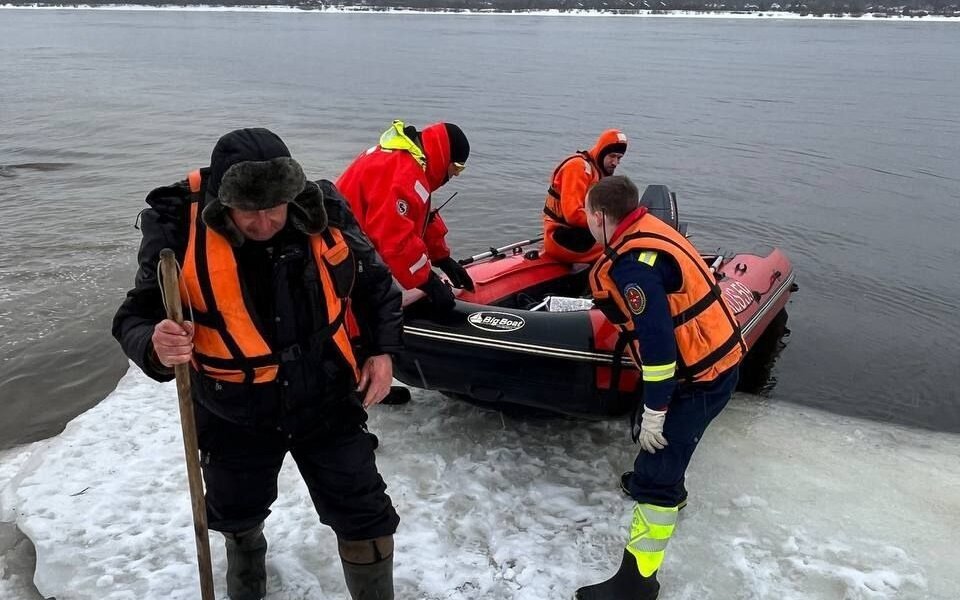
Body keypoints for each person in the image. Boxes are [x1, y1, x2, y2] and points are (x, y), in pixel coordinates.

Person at [112, 128, 403, 600]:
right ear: (224, 203)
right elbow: (135, 315)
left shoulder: (322, 213)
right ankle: (246, 581)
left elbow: (376, 287)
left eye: (275, 207)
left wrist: (383, 351)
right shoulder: (177, 230)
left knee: (366, 514)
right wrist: (154, 343)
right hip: (233, 410)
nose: (265, 221)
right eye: (250, 210)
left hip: (324, 396)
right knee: (236, 516)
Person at [576, 176, 746, 600]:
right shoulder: (652, 230)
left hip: (700, 378)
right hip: (718, 364)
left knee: (655, 473)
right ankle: (676, 490)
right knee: (666, 452)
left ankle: (636, 584)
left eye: (585, 212)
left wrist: (655, 409)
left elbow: (658, 347)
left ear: (599, 216)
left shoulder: (634, 266)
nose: (584, 219)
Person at [337, 120, 473, 405]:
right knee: (355, 322)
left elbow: (420, 215)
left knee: (365, 317)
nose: (454, 176)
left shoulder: (410, 163)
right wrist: (428, 281)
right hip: (345, 253)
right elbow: (394, 239)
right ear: (445, 156)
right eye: (456, 168)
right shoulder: (401, 170)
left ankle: (365, 383)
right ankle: (352, 401)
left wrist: (443, 258)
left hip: (356, 247)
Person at [542, 129, 627, 264]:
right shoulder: (578, 167)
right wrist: (610, 223)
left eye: (619, 158)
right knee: (621, 246)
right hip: (560, 236)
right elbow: (573, 215)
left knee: (622, 239)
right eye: (612, 156)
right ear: (602, 151)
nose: (615, 163)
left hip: (578, 231)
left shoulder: (597, 171)